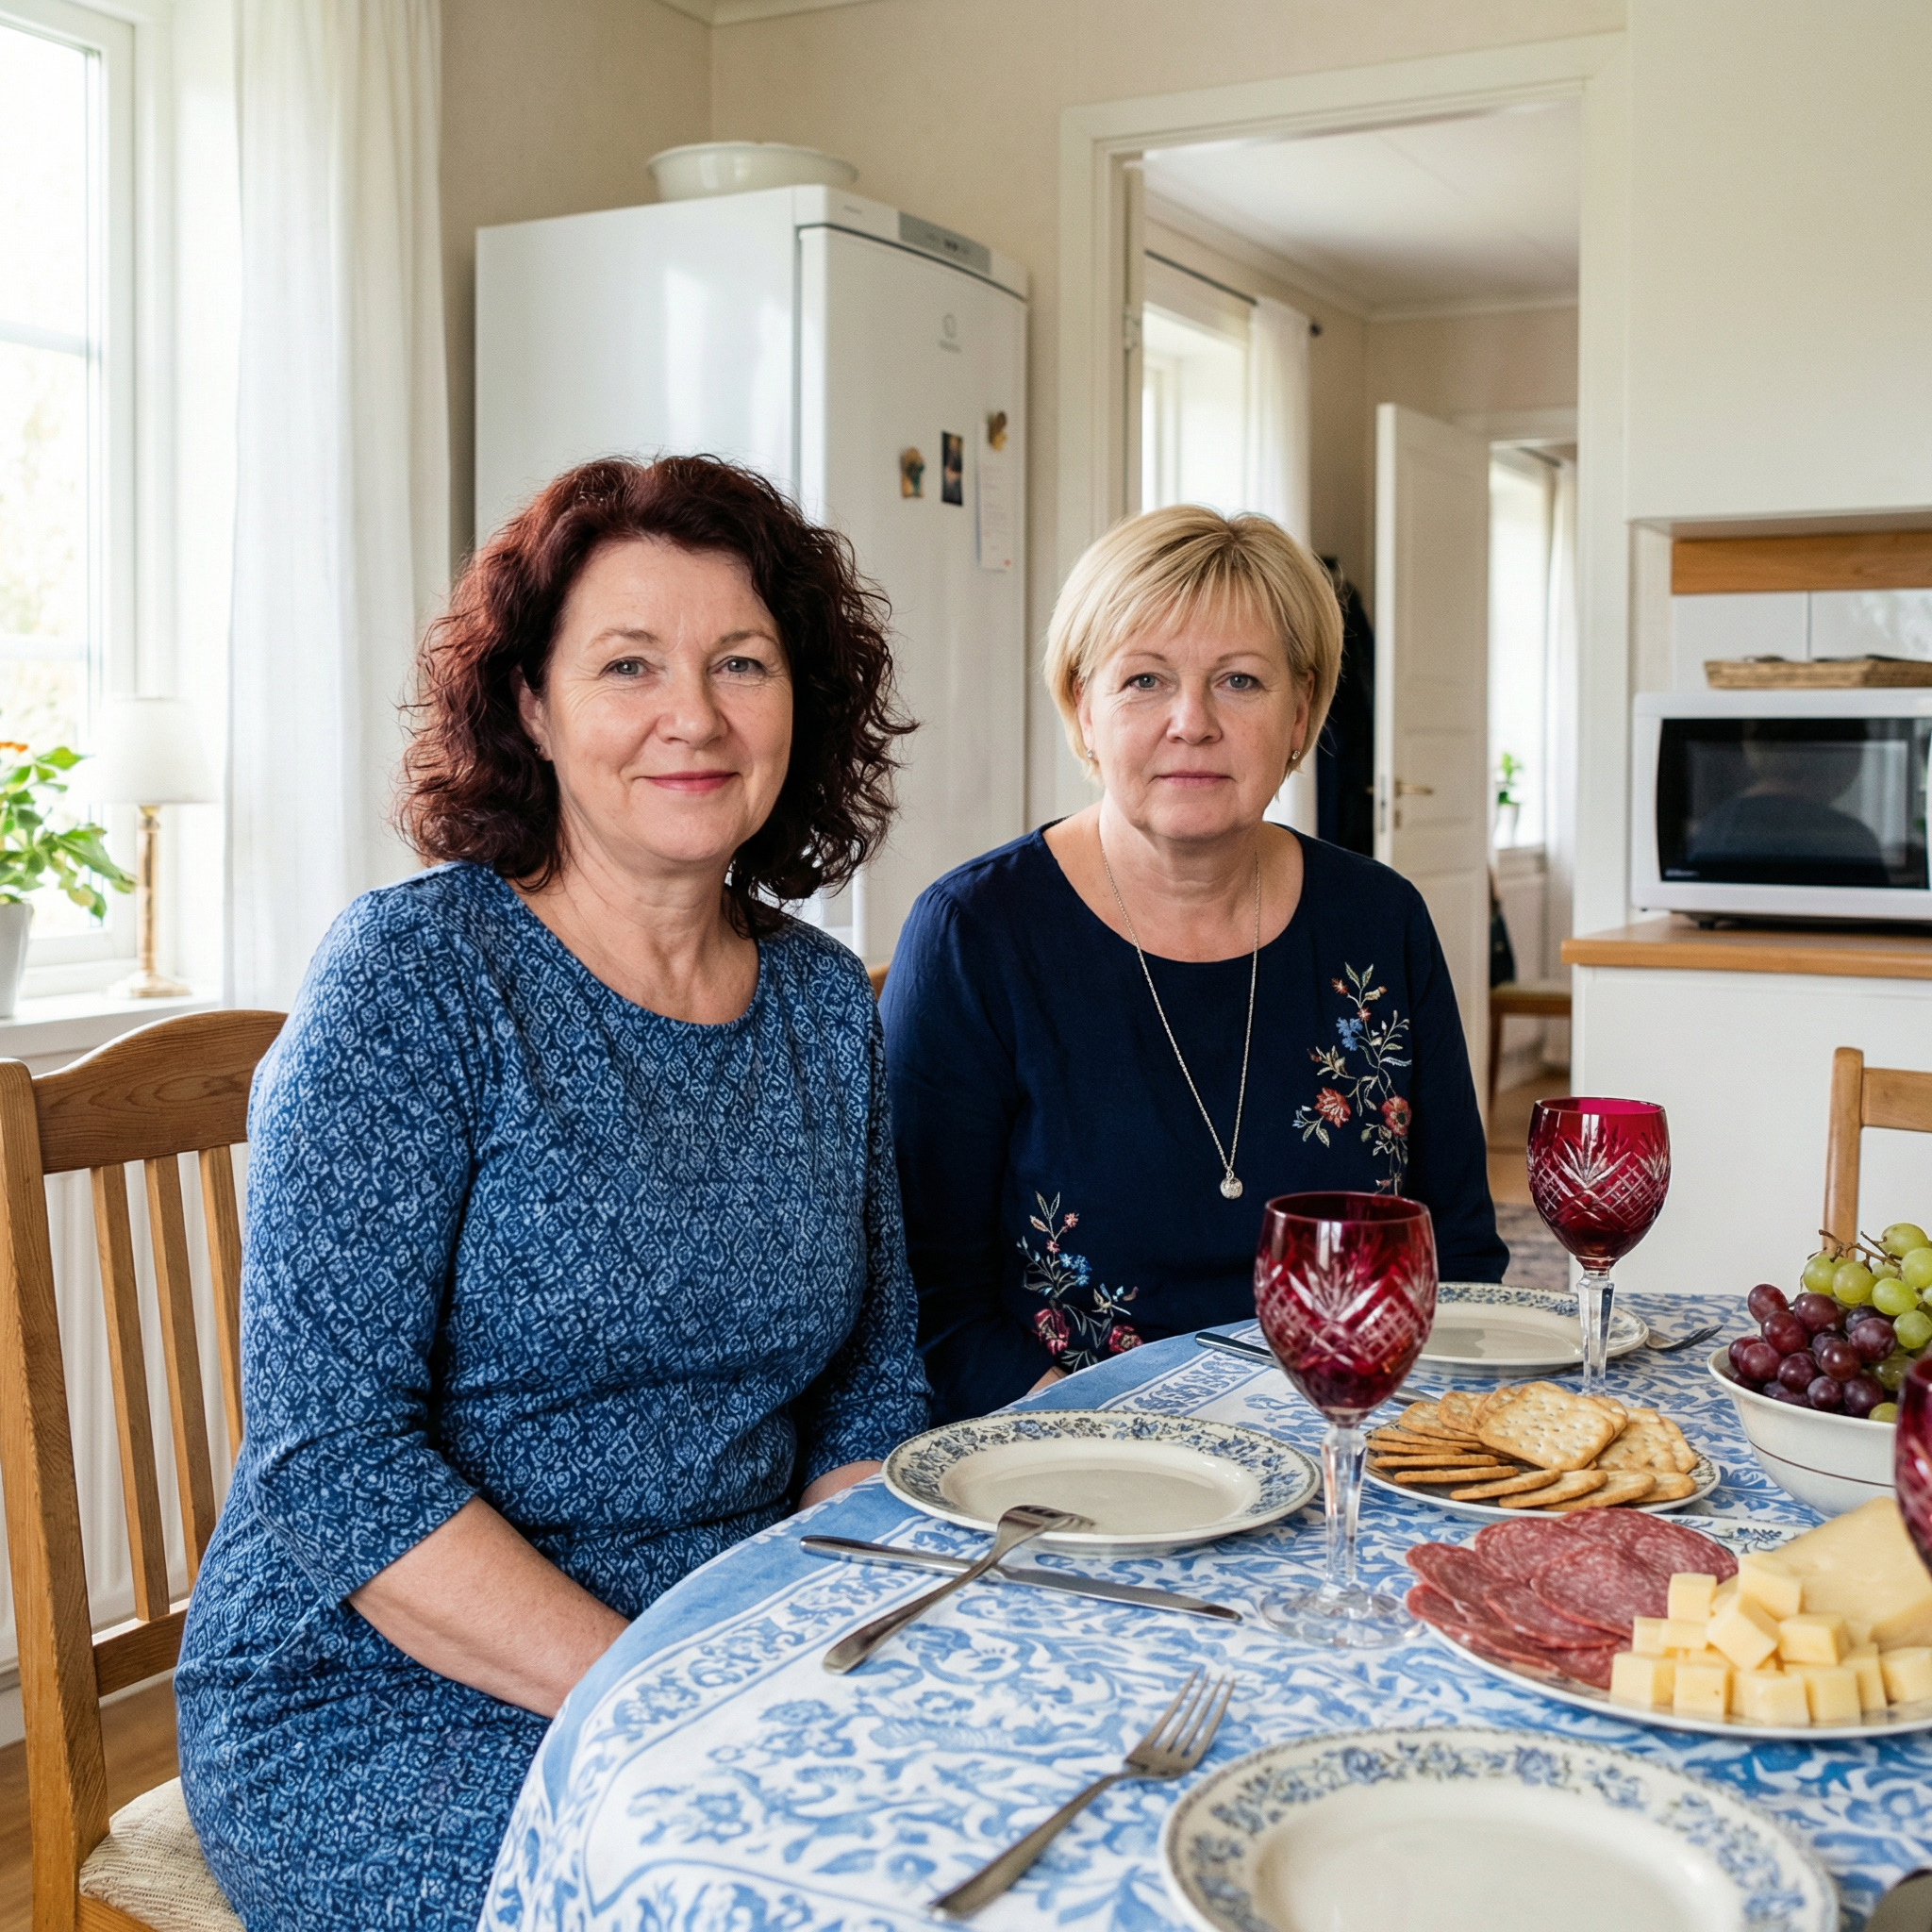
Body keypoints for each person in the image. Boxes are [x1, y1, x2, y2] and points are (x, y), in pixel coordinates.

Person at [175, 457, 930, 1931]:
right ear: (531, 705)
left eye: (741, 663)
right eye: (629, 665)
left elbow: (870, 1376)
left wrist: (831, 1632)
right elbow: (333, 1461)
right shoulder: (418, 982)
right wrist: (672, 1691)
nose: (693, 716)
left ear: (801, 702)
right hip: (377, 1691)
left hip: (723, 1643)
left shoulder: (825, 1002)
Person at [882, 504, 1507, 1424]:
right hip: (1080, 1461)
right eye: (1143, 678)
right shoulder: (973, 934)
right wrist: (1118, 1448)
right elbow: (928, 1298)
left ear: (1301, 712)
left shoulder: (1381, 920)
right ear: (1081, 708)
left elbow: (1454, 1248)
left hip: (1353, 1436)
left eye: (1239, 680)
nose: (1192, 721)